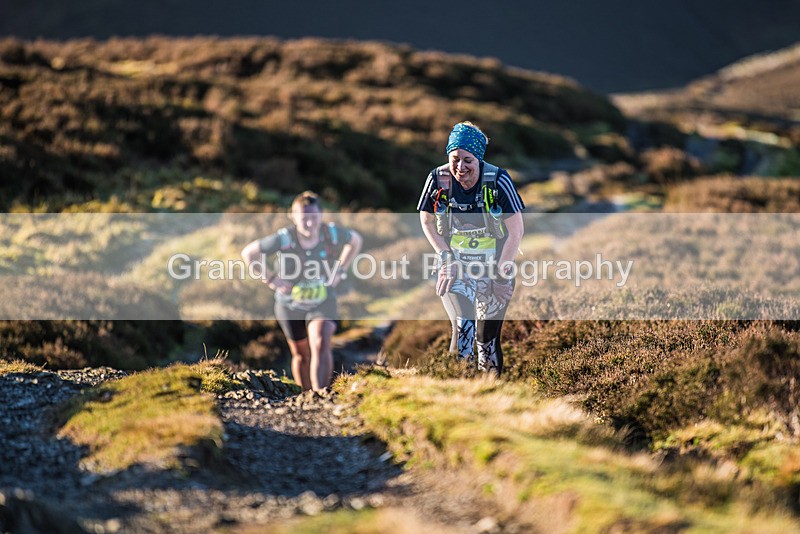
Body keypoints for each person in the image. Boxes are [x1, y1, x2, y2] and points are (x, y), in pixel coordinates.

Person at [417, 122, 525, 375]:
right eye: (455, 159)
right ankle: (459, 391)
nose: (460, 167)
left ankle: (489, 396)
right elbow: (426, 220)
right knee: (463, 326)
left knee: (486, 341)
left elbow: (516, 231)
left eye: (468, 160)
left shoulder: (498, 179)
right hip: (456, 268)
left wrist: (500, 276)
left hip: (495, 269)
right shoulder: (437, 178)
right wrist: (446, 258)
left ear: (479, 159)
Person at [241, 191, 362, 390]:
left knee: (321, 341)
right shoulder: (284, 239)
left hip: (323, 300)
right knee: (301, 355)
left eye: (313, 218)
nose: (309, 224)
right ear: (293, 217)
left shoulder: (329, 233)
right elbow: (249, 253)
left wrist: (340, 270)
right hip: (289, 304)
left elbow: (355, 240)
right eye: (304, 218)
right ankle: (304, 398)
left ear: (321, 215)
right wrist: (271, 279)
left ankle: (320, 396)